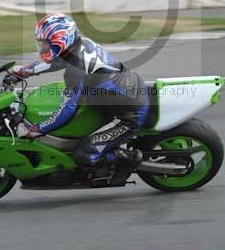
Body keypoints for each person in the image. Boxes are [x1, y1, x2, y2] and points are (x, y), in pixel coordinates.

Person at [10, 13, 148, 173]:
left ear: (60, 40)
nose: (42, 47)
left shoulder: (76, 69)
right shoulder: (78, 45)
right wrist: (24, 71)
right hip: (121, 93)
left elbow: (68, 109)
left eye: (46, 43)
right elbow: (57, 61)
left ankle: (128, 158)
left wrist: (37, 130)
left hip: (129, 116)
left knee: (84, 155)